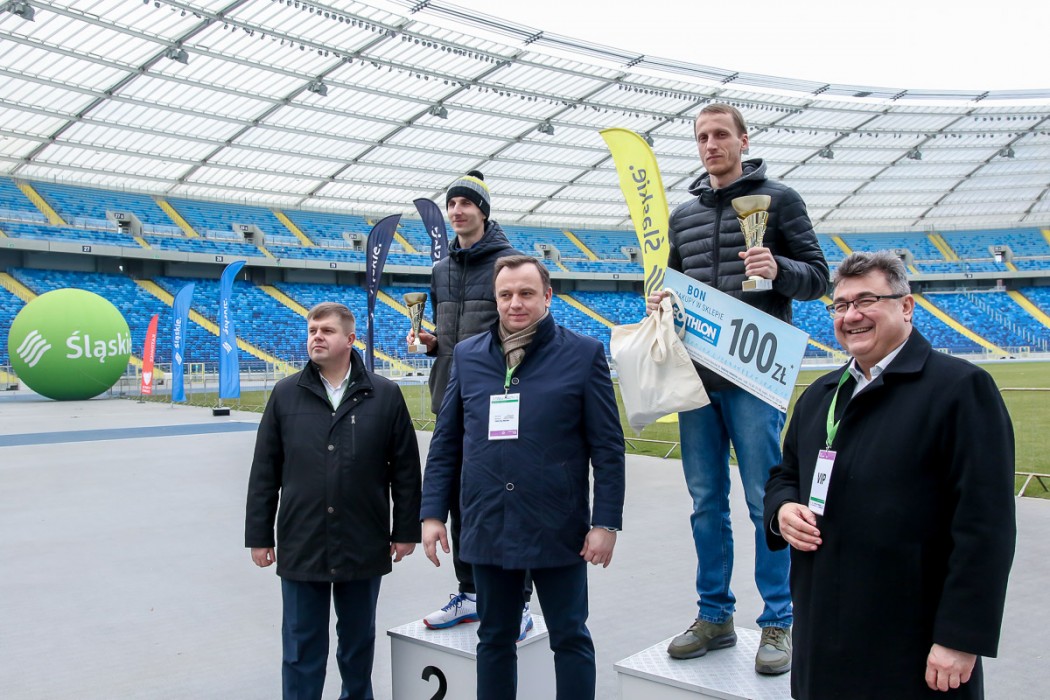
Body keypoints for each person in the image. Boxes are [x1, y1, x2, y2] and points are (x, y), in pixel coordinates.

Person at [764, 251, 1015, 699]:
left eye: (867, 300)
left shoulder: (960, 389)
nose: (851, 315)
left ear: (906, 306)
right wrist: (782, 510)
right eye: (841, 305)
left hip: (911, 645)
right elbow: (785, 474)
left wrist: (960, 638)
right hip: (823, 637)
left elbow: (985, 525)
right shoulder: (820, 395)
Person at [648, 103, 829, 673]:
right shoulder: (683, 216)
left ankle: (778, 621)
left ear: (744, 141)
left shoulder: (782, 200)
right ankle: (714, 615)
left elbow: (819, 278)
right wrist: (661, 301)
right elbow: (675, 283)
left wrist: (779, 269)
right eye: (702, 136)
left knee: (762, 501)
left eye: (721, 134)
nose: (711, 144)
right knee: (705, 504)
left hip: (754, 380)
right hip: (696, 382)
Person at [420, 255, 625, 700]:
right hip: (489, 521)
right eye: (506, 294)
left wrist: (606, 523)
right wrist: (433, 513)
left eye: (526, 293)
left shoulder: (583, 353)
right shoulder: (468, 356)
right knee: (494, 638)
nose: (515, 303)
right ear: (495, 299)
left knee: (570, 636)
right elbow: (446, 441)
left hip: (559, 524)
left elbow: (608, 447)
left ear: (547, 297)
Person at [245, 302, 422, 700]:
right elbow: (265, 471)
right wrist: (259, 535)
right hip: (302, 539)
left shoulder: (385, 395)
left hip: (363, 539)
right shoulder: (285, 394)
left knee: (357, 643)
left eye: (326, 331)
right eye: (312, 331)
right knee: (301, 646)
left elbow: (406, 470)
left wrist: (405, 530)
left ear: (350, 339)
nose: (317, 337)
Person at [407, 170, 530, 635]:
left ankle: (518, 601)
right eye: (451, 204)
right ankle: (471, 592)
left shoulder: (508, 262)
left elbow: (521, 327)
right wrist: (432, 343)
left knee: (508, 498)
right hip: (449, 395)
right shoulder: (440, 270)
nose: (457, 211)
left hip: (499, 397)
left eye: (466, 203)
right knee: (461, 501)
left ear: (483, 210)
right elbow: (450, 337)